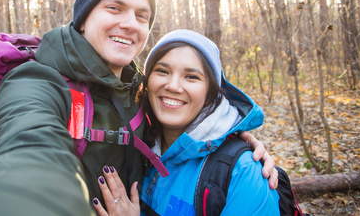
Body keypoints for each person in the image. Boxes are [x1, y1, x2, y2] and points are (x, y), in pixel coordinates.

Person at [0, 0, 275, 216]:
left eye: (142, 16)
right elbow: (31, 150)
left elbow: (185, 128)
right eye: (115, 8)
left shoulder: (138, 89)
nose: (130, 24)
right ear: (83, 19)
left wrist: (232, 140)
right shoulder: (37, 80)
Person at [93, 30, 280, 216]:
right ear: (147, 82)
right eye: (162, 71)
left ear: (211, 92)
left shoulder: (243, 173)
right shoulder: (135, 144)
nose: (173, 86)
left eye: (191, 76)